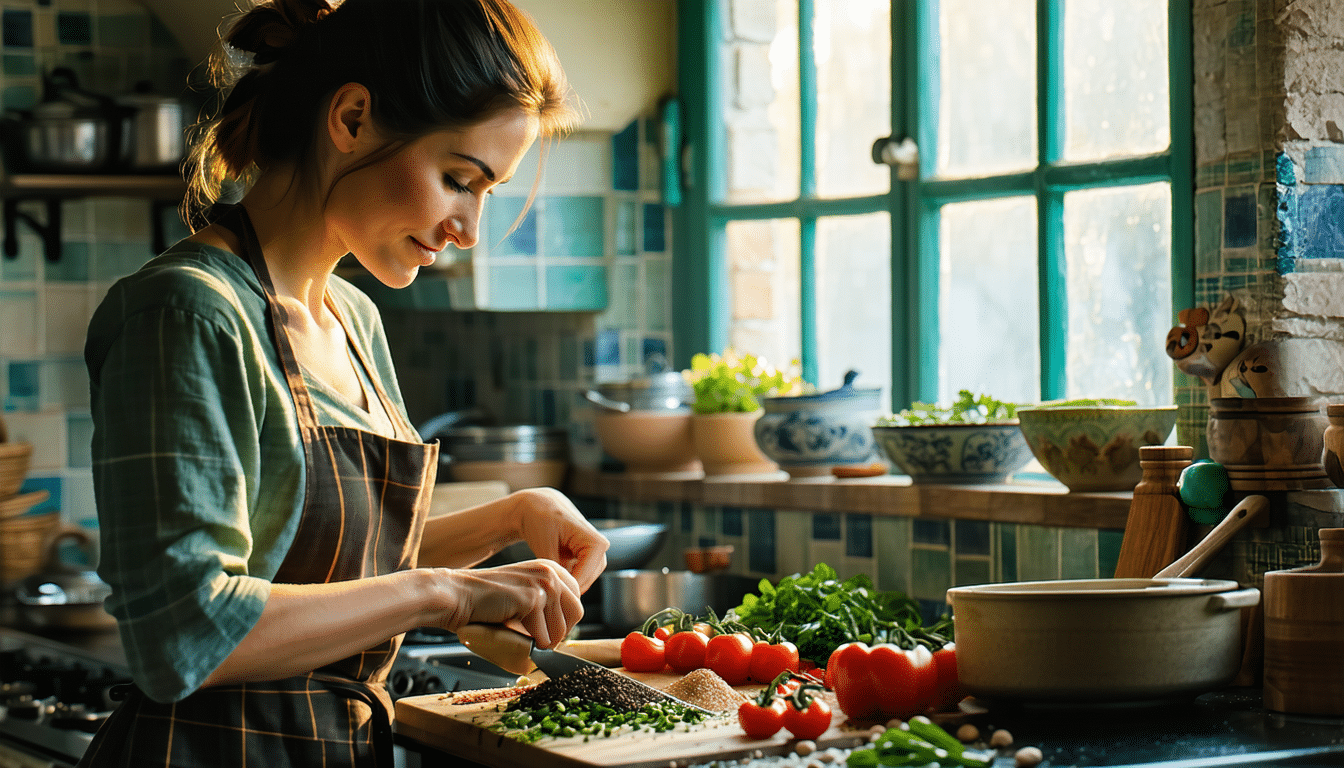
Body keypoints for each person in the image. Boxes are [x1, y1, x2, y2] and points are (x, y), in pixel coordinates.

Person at [79, 1, 609, 765]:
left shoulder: (353, 320)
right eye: (458, 179)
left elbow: (334, 567)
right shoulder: (188, 314)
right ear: (352, 119)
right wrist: (449, 593)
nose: (468, 230)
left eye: (485, 193)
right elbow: (185, 633)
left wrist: (511, 516)